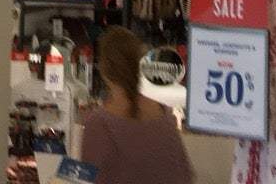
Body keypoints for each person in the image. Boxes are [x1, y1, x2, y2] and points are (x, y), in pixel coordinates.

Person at [80, 26, 193, 184]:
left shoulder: (99, 124)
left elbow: (88, 179)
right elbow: (185, 175)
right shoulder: (164, 114)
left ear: (104, 71)